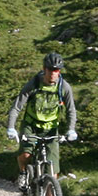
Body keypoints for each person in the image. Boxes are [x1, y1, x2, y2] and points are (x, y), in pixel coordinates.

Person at [5, 52, 78, 187]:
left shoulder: (64, 87)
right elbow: (16, 107)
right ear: (44, 69)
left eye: (56, 70)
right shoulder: (33, 84)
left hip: (51, 128)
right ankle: (22, 173)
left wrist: (71, 129)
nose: (53, 73)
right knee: (25, 155)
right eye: (50, 69)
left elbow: (71, 110)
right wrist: (11, 127)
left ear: (59, 71)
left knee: (53, 171)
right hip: (31, 125)